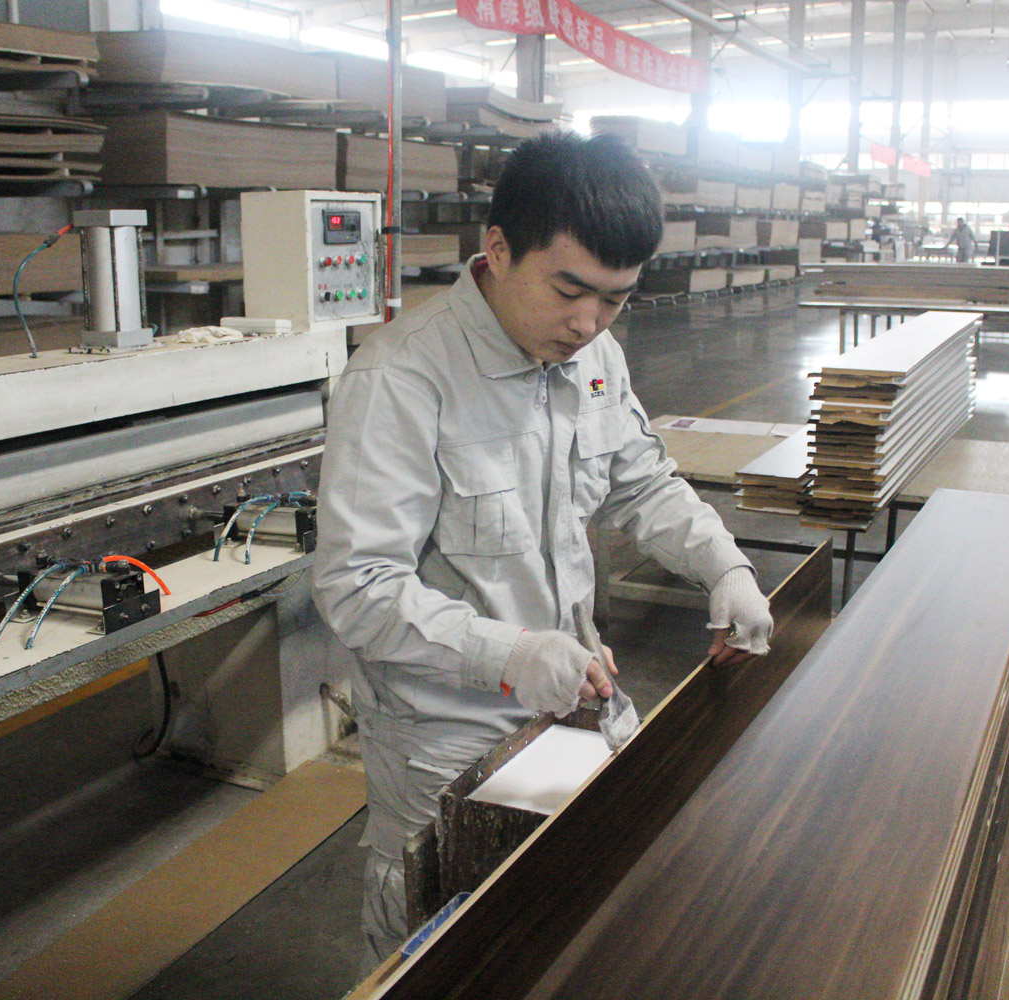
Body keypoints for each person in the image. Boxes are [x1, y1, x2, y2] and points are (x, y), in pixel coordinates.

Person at [311, 131, 777, 967]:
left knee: (560, 929)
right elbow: (357, 585)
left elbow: (642, 482)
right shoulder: (403, 380)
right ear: (497, 249)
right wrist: (512, 654)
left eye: (616, 299)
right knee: (446, 952)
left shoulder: (595, 358)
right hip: (445, 740)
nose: (588, 322)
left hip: (571, 701)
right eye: (569, 290)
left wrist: (724, 564)